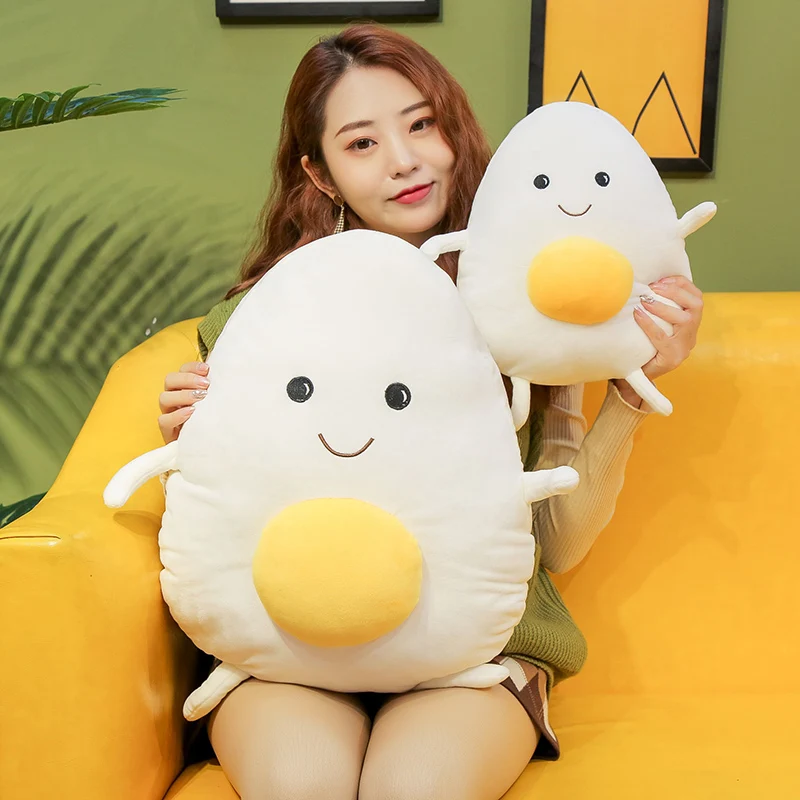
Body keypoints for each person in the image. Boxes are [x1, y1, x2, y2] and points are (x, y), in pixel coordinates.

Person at [157, 24, 704, 800]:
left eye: (421, 125)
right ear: (319, 173)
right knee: (300, 787)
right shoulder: (255, 329)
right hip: (291, 645)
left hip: (476, 653)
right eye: (362, 143)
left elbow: (556, 540)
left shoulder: (527, 319)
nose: (404, 159)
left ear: (455, 130)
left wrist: (630, 387)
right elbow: (221, 522)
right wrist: (190, 443)